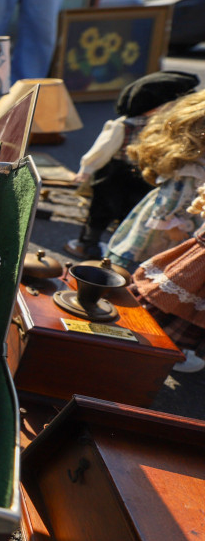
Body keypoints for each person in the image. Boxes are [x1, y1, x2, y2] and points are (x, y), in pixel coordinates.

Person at [65, 71, 200, 259]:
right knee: (102, 209)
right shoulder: (123, 125)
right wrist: (87, 169)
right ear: (156, 106)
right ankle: (89, 243)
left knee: (131, 210)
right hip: (114, 174)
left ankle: (120, 245)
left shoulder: (167, 125)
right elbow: (102, 149)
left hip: (145, 175)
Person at [105, 89, 205, 272]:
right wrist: (170, 224)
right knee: (152, 260)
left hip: (189, 219)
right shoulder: (192, 170)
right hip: (170, 221)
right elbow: (170, 197)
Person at [130, 183, 205, 373]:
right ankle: (142, 342)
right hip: (197, 266)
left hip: (197, 262)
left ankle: (165, 349)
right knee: (171, 299)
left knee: (186, 304)